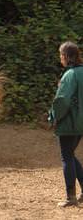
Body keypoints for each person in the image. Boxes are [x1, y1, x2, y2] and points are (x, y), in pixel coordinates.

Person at [48, 41, 83, 207]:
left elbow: (62, 101)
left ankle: (71, 197)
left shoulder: (69, 75)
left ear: (66, 56)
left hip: (69, 122)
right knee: (70, 154)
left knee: (66, 156)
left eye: (60, 55)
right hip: (80, 123)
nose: (60, 58)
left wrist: (54, 117)